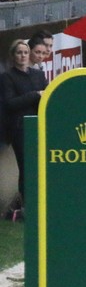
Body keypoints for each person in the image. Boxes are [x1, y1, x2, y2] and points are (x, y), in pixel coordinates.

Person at [1, 39, 47, 214]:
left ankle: (42, 200)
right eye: (19, 52)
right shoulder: (7, 77)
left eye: (25, 52)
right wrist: (35, 94)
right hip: (19, 128)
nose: (23, 55)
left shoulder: (38, 75)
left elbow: (47, 95)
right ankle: (27, 206)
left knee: (41, 163)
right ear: (13, 56)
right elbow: (10, 103)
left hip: (39, 125)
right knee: (26, 165)